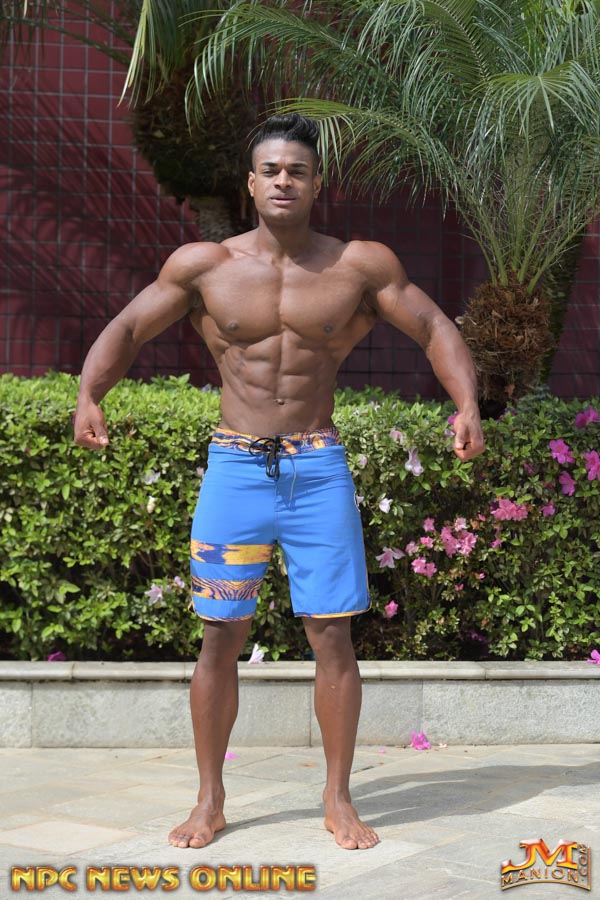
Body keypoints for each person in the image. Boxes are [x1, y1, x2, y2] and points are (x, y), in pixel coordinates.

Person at [74, 112, 485, 851]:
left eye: (297, 170)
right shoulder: (205, 266)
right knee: (220, 636)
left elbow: (431, 327)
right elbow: (130, 327)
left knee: (333, 635)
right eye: (271, 170)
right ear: (251, 182)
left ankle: (338, 797)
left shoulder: (358, 267)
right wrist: (89, 394)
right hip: (236, 469)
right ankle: (209, 799)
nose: (284, 181)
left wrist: (467, 405)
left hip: (316, 469)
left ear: (317, 182)